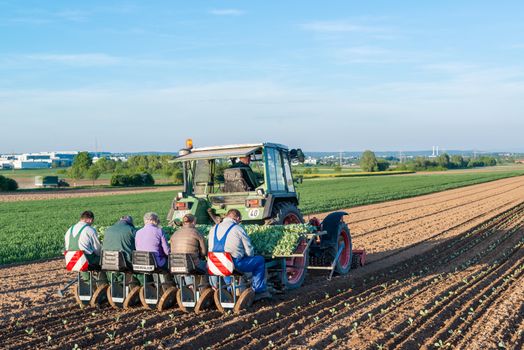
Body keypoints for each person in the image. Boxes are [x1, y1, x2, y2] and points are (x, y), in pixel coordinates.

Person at [208, 209, 270, 301]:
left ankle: (230, 290)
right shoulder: (238, 229)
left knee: (226, 266)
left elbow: (210, 247)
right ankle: (259, 290)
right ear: (237, 218)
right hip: (234, 263)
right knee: (259, 261)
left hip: (215, 263)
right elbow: (248, 249)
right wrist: (249, 256)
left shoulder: (213, 228)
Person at [64, 210, 107, 285]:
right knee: (105, 260)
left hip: (71, 259)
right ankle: (103, 284)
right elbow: (97, 249)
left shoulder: (69, 229)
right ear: (90, 219)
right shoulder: (90, 230)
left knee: (84, 264)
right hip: (86, 259)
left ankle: (88, 282)